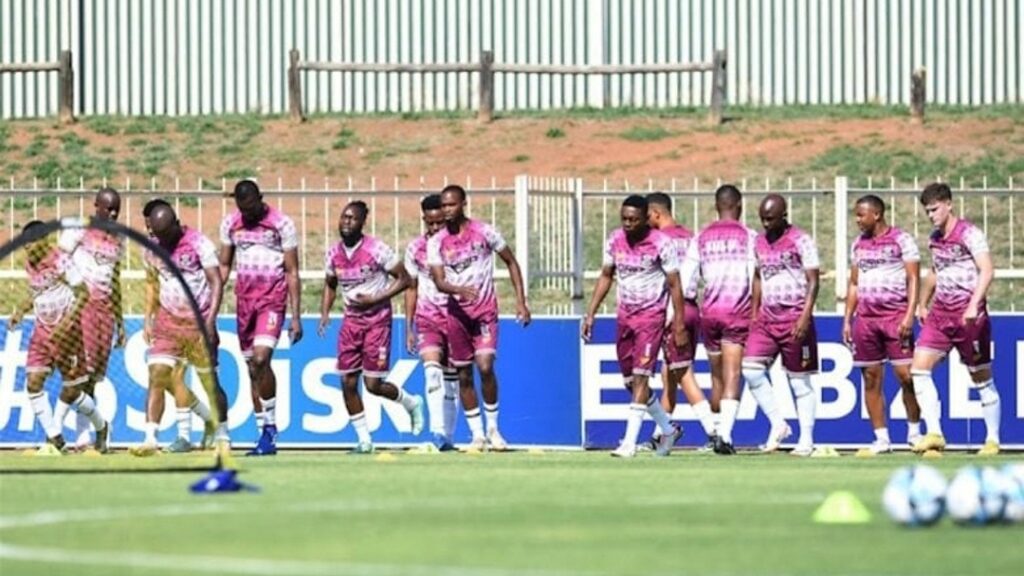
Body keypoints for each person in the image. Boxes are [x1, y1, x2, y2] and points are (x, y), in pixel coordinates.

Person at [427, 185, 531, 452]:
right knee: (463, 374)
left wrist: (521, 301)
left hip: (484, 311)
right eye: (444, 206)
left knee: (484, 366)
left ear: (463, 204)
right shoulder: (436, 242)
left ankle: (494, 429)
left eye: (452, 205)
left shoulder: (484, 232)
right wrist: (458, 290)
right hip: (456, 315)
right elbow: (439, 281)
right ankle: (477, 435)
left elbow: (511, 261)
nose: (447, 210)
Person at [582, 195, 687, 458]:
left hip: (651, 318)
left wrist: (680, 323)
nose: (628, 224)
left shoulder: (662, 243)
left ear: (646, 218)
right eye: (624, 219)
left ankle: (629, 442)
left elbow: (675, 284)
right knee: (630, 381)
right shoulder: (614, 240)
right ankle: (668, 428)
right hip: (624, 317)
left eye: (633, 219)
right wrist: (591, 313)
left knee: (642, 376)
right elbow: (606, 276)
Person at [318, 201, 423, 454]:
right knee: (347, 382)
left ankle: (410, 402)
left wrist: (376, 299)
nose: (346, 222)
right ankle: (364, 440)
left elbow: (405, 280)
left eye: (352, 218)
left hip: (377, 321)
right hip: (350, 322)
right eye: (344, 217)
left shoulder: (377, 249)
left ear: (363, 222)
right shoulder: (333, 254)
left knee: (373, 385)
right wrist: (324, 313)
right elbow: (331, 283)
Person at [911, 183, 1000, 456]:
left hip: (968, 315)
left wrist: (974, 305)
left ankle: (992, 439)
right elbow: (935, 273)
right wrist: (922, 304)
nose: (931, 215)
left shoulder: (970, 234)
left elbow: (987, 270)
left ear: (949, 204)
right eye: (927, 211)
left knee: (980, 377)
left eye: (935, 209)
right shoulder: (934, 238)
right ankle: (935, 433)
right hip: (940, 314)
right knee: (919, 369)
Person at [132, 202, 225, 455]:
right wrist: (148, 317)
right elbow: (152, 283)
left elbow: (216, 281)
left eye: (164, 235)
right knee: (159, 374)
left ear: (176, 224)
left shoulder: (198, 243)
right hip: (168, 321)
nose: (160, 240)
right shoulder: (151, 247)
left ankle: (220, 433)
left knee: (208, 382)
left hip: (198, 321)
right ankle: (151, 438)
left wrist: (210, 320)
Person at [9, 221, 109, 455]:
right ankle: (56, 439)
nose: (26, 248)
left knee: (72, 392)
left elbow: (83, 293)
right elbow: (36, 291)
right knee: (33, 384)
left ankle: (102, 427)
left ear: (44, 241)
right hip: (42, 331)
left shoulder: (60, 260)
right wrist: (21, 311)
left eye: (31, 243)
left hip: (68, 333)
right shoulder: (29, 264)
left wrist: (65, 323)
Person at [219, 179, 303, 456]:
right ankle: (265, 433)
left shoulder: (281, 224)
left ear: (260, 199)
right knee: (252, 370)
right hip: (245, 304)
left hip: (272, 301)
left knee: (261, 359)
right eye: (243, 208)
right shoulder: (232, 224)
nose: (248, 213)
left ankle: (269, 428)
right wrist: (212, 306)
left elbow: (292, 271)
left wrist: (296, 316)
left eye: (252, 207)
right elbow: (223, 265)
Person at [842, 195, 923, 456]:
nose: (857, 220)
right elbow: (854, 284)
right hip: (866, 320)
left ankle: (914, 432)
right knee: (870, 379)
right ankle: (881, 438)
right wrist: (847, 319)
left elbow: (913, 278)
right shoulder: (858, 245)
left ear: (876, 214)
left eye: (860, 215)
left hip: (895, 317)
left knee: (907, 377)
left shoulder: (901, 240)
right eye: (855, 215)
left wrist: (909, 314)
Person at [681, 184, 757, 454]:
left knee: (716, 375)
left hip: (709, 313)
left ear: (716, 206)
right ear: (739, 206)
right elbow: (753, 275)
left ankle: (714, 432)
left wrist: (686, 306)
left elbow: (686, 279)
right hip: (738, 311)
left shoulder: (701, 237)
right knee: (733, 373)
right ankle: (724, 435)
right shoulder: (750, 237)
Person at [742, 195, 820, 457]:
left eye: (770, 219)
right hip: (766, 319)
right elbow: (757, 277)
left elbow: (813, 281)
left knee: (799, 383)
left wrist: (805, 317)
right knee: (751, 370)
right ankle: (779, 424)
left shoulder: (801, 239)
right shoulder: (758, 242)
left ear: (783, 215)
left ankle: (806, 439)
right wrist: (754, 314)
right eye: (762, 219)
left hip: (795, 316)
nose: (765, 224)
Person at [642, 192, 716, 449]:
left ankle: (714, 432)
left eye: (646, 216)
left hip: (675, 312)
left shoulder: (659, 241)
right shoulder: (691, 237)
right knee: (668, 375)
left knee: (683, 373)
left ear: (655, 214)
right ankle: (660, 435)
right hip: (693, 308)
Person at [53, 187, 125, 449]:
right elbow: (57, 261)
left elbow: (115, 280)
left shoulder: (119, 238)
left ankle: (86, 433)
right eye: (109, 208)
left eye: (117, 208)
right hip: (79, 307)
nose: (114, 213)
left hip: (104, 311)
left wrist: (120, 320)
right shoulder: (78, 229)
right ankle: (70, 433)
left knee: (93, 376)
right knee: (78, 373)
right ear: (97, 206)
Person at [404, 194, 460, 451]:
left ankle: (448, 437)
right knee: (432, 373)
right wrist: (408, 327)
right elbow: (411, 288)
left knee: (452, 379)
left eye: (439, 222)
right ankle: (437, 432)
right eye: (430, 223)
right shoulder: (415, 249)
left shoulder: (458, 245)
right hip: (428, 319)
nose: (435, 228)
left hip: (456, 315)